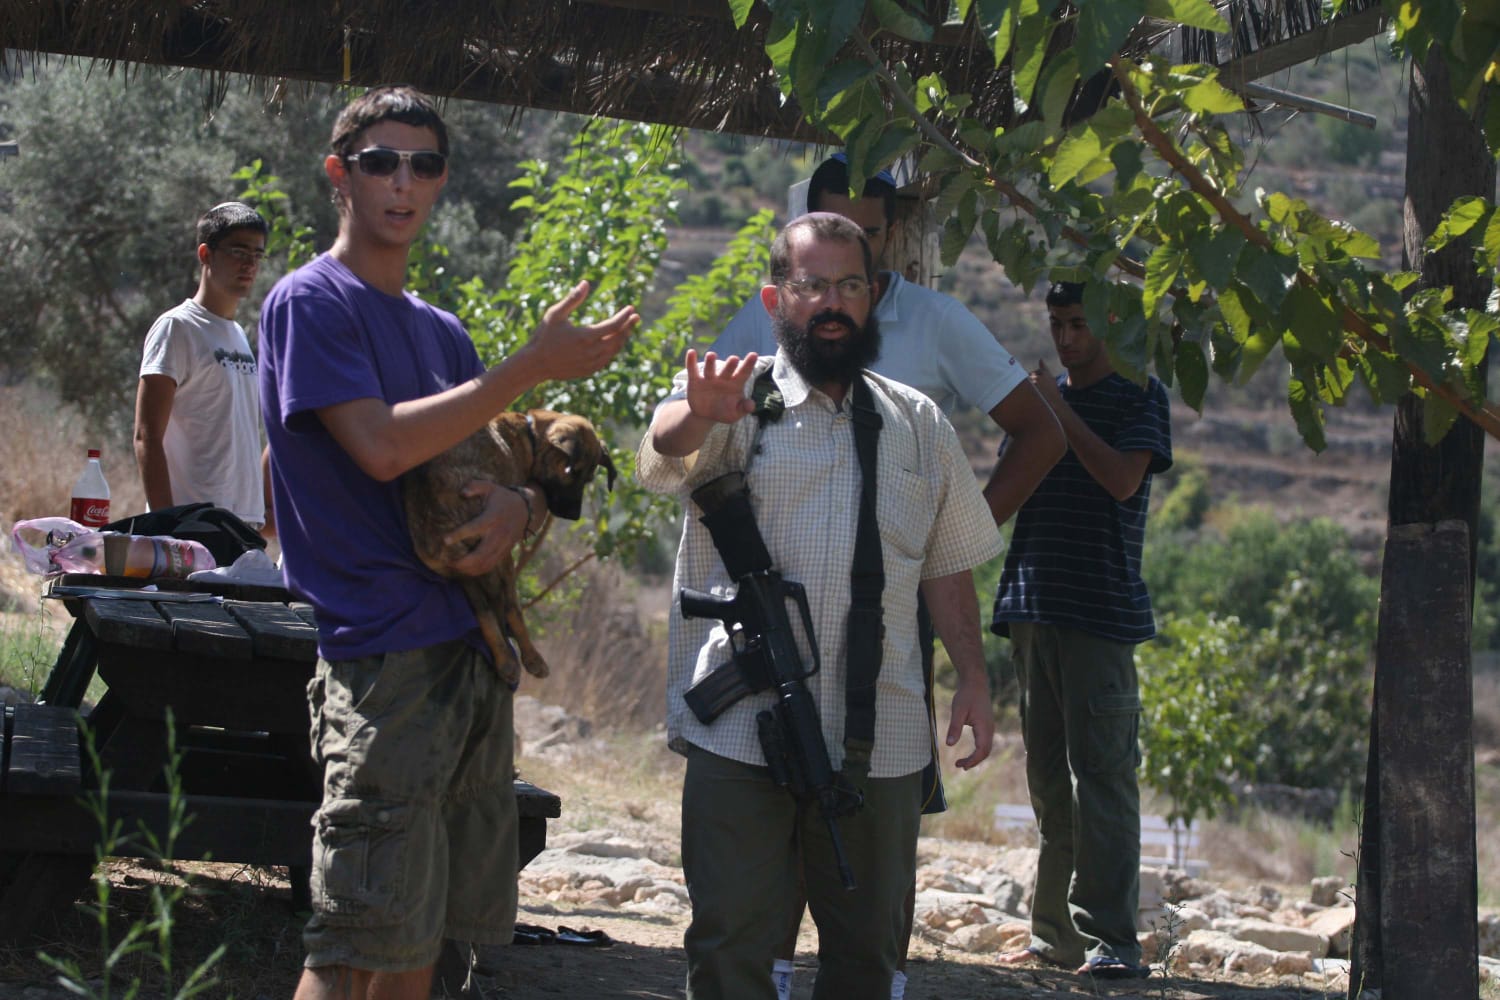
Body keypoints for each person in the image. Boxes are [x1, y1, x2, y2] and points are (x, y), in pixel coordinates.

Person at [257, 85, 637, 1000]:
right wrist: (531, 367)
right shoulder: (311, 302)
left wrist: (517, 507)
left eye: (424, 164)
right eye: (381, 160)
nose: (403, 181)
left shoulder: (441, 331)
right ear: (338, 173)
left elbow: (496, 463)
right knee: (356, 945)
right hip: (382, 659)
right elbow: (383, 447)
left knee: (423, 951)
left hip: (468, 659)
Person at [714, 155, 1064, 1000]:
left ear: (890, 246)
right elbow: (681, 444)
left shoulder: (935, 338)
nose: (840, 286)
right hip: (766, 652)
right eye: (828, 254)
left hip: (888, 649)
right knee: (747, 895)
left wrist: (940, 542)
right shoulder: (754, 343)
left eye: (867, 248)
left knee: (868, 889)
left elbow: (1036, 435)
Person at [638, 212, 1001, 1000]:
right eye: (810, 286)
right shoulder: (735, 402)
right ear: (777, 298)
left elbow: (945, 567)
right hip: (740, 729)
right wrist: (700, 410)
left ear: (871, 298)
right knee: (729, 949)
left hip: (887, 734)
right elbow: (666, 448)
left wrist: (972, 677)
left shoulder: (919, 424)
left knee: (869, 963)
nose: (830, 303)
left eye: (847, 286)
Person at [991, 280, 1173, 980]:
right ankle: (1054, 937)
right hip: (1035, 605)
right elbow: (1004, 492)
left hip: (1099, 611)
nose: (1065, 338)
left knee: (1102, 778)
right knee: (1046, 780)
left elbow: (1123, 481)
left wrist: (1058, 411)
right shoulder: (1039, 407)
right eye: (1057, 324)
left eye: (1078, 323)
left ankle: (1113, 944)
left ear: (1111, 323)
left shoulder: (1139, 396)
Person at [134, 201, 271, 532]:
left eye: (257, 254)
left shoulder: (238, 334)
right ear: (206, 254)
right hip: (193, 528)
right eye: (239, 252)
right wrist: (168, 528)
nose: (249, 264)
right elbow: (145, 436)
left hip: (242, 527)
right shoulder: (177, 328)